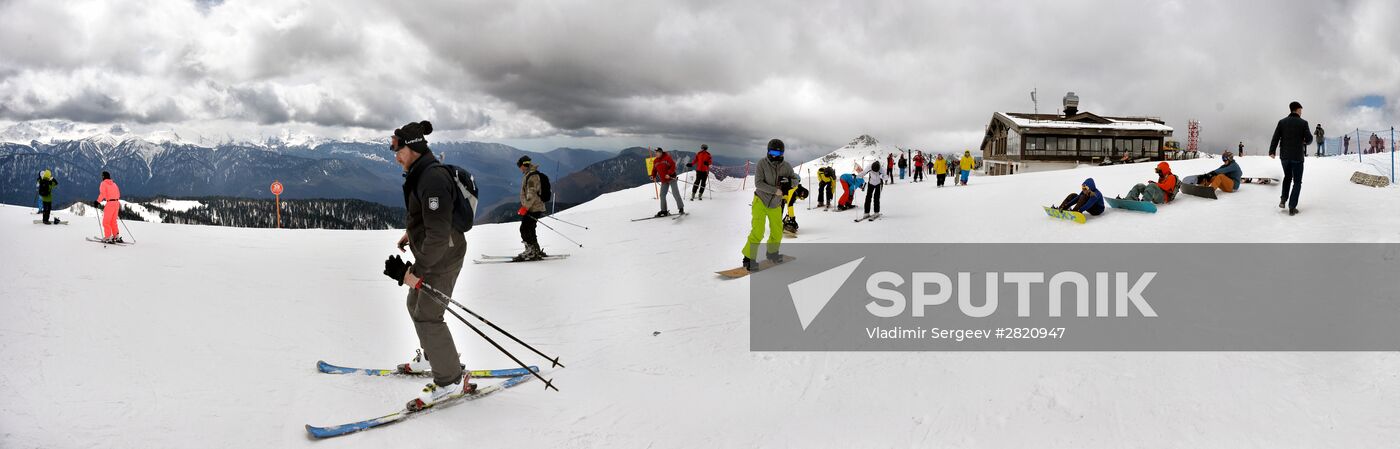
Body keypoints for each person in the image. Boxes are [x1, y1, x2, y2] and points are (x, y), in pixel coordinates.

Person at [379, 120, 473, 407]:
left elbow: (440, 234)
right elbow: (430, 219)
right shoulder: (419, 173)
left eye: (398, 148)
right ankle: (435, 358)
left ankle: (450, 380)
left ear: (413, 147)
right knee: (414, 304)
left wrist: (415, 272)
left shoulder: (431, 178)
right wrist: (412, 233)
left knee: (429, 315)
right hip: (432, 251)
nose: (394, 154)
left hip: (443, 256)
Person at [740, 139, 797, 271]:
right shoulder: (762, 163)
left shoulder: (786, 166)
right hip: (760, 201)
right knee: (758, 231)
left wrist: (789, 181)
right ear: (768, 151)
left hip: (776, 204)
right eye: (772, 152)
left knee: (777, 231)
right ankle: (748, 258)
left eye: (778, 152)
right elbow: (758, 183)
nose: (775, 155)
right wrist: (775, 190)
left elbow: (795, 180)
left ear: (782, 153)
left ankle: (772, 253)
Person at [1269, 101, 1312, 215]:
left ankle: (1283, 199)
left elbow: (1276, 137)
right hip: (1297, 157)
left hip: (1285, 156)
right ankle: (1292, 207)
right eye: (1301, 109)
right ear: (1297, 109)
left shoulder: (1282, 122)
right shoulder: (1303, 123)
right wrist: (1304, 140)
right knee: (1297, 181)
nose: (1301, 112)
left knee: (1287, 177)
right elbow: (1309, 139)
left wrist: (1272, 151)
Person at [514, 156, 548, 261]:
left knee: (524, 229)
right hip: (535, 207)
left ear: (524, 165)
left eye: (520, 166)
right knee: (530, 229)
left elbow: (531, 194)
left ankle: (531, 252)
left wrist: (525, 207)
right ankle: (535, 250)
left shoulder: (532, 176)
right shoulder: (531, 174)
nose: (520, 168)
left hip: (533, 208)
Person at [651, 148, 683, 217]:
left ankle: (681, 208)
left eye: (658, 152)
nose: (656, 153)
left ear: (661, 152)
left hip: (671, 178)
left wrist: (669, 173)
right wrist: (653, 175)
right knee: (662, 195)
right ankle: (664, 210)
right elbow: (654, 170)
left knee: (675, 193)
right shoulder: (655, 161)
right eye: (656, 152)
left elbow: (673, 166)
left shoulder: (667, 158)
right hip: (664, 180)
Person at [95, 171, 122, 242]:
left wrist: (97, 201)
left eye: (102, 176)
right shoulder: (114, 184)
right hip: (117, 203)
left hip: (110, 203)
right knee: (113, 221)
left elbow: (102, 194)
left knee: (106, 222)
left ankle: (108, 237)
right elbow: (118, 194)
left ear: (103, 176)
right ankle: (116, 236)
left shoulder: (103, 183)